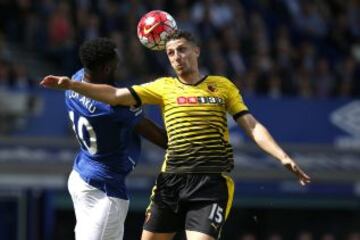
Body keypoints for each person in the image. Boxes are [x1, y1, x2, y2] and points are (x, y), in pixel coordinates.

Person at [41, 30, 311, 240]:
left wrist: (282, 156)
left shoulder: (222, 86)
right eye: (170, 53)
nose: (177, 57)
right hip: (170, 182)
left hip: (210, 183)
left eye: (182, 50)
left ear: (197, 51)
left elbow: (251, 125)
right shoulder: (163, 87)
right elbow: (114, 95)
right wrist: (71, 83)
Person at [49, 38, 168, 240]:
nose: (119, 65)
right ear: (105, 69)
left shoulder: (75, 81)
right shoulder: (116, 108)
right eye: (115, 63)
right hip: (105, 190)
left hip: (80, 175)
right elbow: (162, 139)